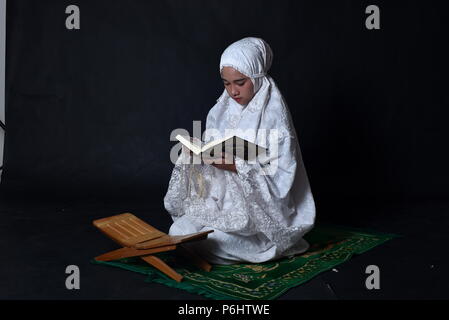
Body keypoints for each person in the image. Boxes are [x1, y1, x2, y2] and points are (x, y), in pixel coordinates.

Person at [163, 37, 316, 265]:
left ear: (256, 77)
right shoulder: (221, 109)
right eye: (226, 83)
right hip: (223, 202)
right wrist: (197, 152)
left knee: (208, 242)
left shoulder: (274, 117)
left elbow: (281, 178)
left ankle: (258, 245)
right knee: (178, 230)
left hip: (258, 216)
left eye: (240, 82)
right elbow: (212, 148)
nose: (233, 91)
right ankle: (204, 242)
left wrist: (236, 166)